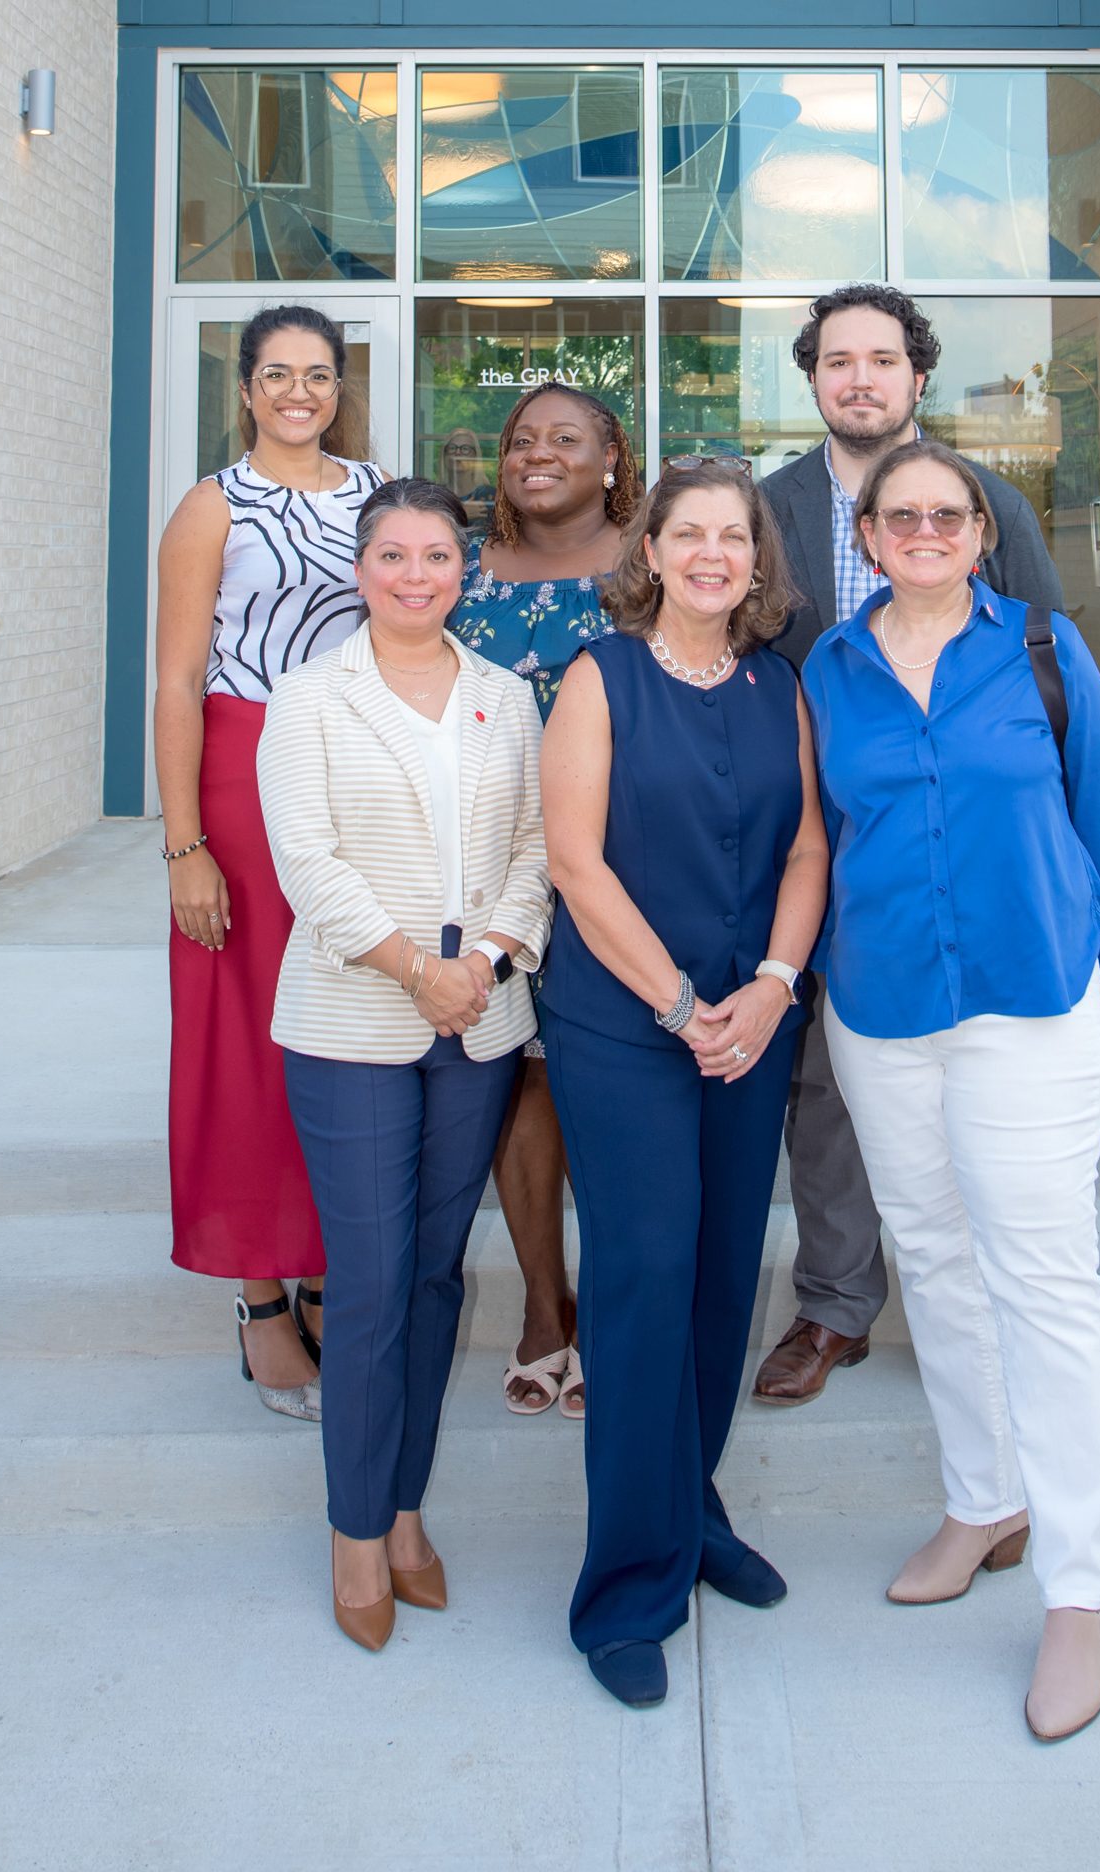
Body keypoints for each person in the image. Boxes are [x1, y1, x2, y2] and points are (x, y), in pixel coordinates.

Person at [801, 438, 1100, 1741]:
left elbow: (1099, 813)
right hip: (882, 1007)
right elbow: (818, 836)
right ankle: (979, 1499)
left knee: (1043, 1285)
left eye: (949, 514)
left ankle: (1076, 1590)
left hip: (1027, 998)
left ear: (979, 534)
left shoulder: (1045, 654)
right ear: (868, 540)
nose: (925, 532)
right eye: (900, 518)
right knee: (934, 1262)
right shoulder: (827, 671)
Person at [539, 460, 829, 1708]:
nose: (712, 553)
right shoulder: (598, 679)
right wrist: (676, 1005)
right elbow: (574, 864)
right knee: (645, 1279)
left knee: (721, 1279)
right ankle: (625, 1584)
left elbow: (808, 847)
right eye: (687, 533)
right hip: (624, 1023)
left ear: (758, 562)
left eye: (734, 536)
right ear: (648, 551)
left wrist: (767, 989)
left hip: (748, 1022)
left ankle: (692, 1513)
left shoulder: (782, 688)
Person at [753, 282, 1066, 1408]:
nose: (860, 379)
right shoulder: (770, 504)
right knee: (828, 1083)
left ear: (915, 377)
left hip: (964, 840)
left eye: (881, 360)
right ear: (814, 380)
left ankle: (983, 1298)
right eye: (837, 361)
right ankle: (835, 1304)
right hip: (812, 834)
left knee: (981, 1066)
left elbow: (1043, 678)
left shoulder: (982, 504)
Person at [256, 478, 551, 1652]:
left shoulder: (502, 696)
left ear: (464, 569)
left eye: (437, 555)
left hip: (477, 1019)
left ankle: (409, 1509)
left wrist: (481, 958)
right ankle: (354, 1532)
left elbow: (533, 848)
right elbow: (306, 860)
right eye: (393, 555)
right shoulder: (309, 696)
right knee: (373, 1284)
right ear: (361, 567)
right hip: (354, 1022)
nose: (416, 575)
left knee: (433, 1281)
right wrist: (409, 967)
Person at [154, 304, 386, 1421]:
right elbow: (174, 681)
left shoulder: (376, 494)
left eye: (319, 374)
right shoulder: (213, 505)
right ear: (244, 388)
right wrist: (184, 845)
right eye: (277, 374)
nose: (299, 391)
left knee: (349, 1026)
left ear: (339, 386)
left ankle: (333, 1270)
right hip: (241, 776)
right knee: (245, 1032)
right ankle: (257, 1293)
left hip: (357, 765)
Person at [449, 384, 642, 1421]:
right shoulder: (464, 565)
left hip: (621, 862)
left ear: (611, 456)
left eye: (565, 438)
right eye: (523, 439)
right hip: (490, 863)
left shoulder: (651, 564)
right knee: (517, 1086)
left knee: (609, 1092)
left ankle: (611, 1309)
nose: (537, 454)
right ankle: (540, 1305)